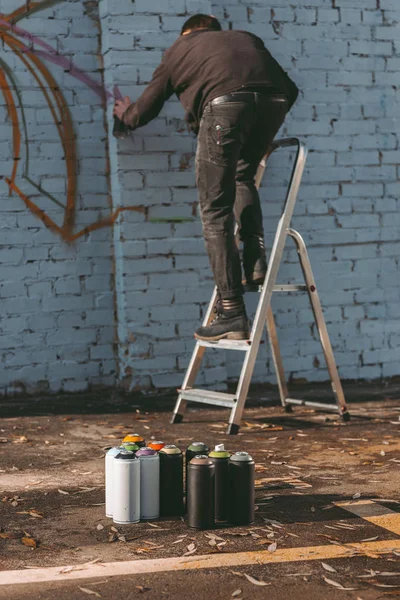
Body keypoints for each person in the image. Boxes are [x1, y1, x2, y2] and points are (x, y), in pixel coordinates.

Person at [114, 14, 299, 342]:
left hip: (224, 107)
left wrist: (124, 115)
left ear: (186, 32)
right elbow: (290, 89)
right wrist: (262, 127)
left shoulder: (179, 49)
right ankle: (255, 261)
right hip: (275, 101)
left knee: (215, 213)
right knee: (243, 176)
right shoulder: (244, 36)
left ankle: (231, 313)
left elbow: (145, 110)